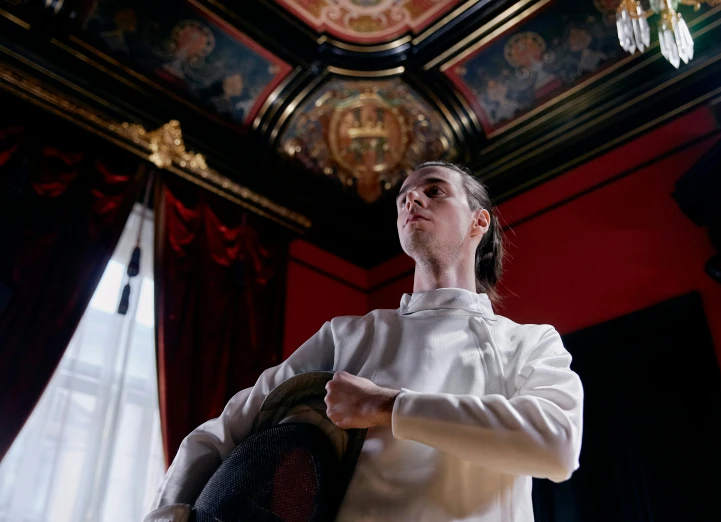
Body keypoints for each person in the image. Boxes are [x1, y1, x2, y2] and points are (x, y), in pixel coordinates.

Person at [144, 161, 584, 522]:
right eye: (404, 197)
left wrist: (387, 406)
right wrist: (168, 515)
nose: (412, 198)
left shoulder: (529, 343)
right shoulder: (347, 335)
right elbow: (224, 430)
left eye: (434, 191)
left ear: (479, 222)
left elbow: (557, 444)